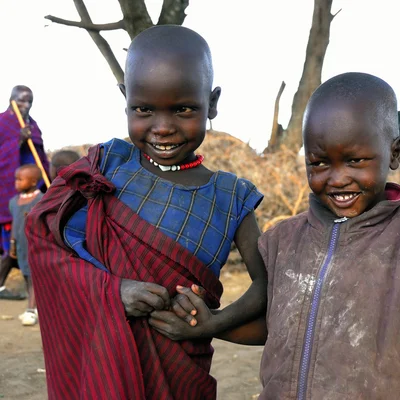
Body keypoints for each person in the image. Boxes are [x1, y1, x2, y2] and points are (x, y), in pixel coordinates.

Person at [175, 72, 400, 399]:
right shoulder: (283, 241)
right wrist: (214, 324)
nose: (337, 179)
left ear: (394, 154)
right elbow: (279, 326)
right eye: (319, 163)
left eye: (355, 160)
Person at [26, 25, 267, 399]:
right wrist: (113, 290)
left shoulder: (232, 196)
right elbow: (43, 240)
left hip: (180, 375)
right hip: (101, 365)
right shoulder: (106, 167)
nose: (163, 127)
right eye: (144, 109)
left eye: (184, 109)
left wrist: (211, 324)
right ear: (125, 98)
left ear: (213, 102)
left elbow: (268, 285)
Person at [0, 86, 49, 299]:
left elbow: (39, 157)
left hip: (34, 192)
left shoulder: (33, 125)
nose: (26, 106)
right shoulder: (2, 123)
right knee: (11, 243)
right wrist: (17, 141)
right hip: (10, 194)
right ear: (12, 101)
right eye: (21, 101)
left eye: (29, 101)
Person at [8, 165, 44, 325]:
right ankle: (35, 307)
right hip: (21, 246)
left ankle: (31, 310)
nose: (16, 182)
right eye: (16, 179)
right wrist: (12, 243)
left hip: (36, 246)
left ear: (33, 181)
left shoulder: (41, 200)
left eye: (20, 179)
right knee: (26, 275)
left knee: (35, 279)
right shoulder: (14, 202)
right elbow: (15, 224)